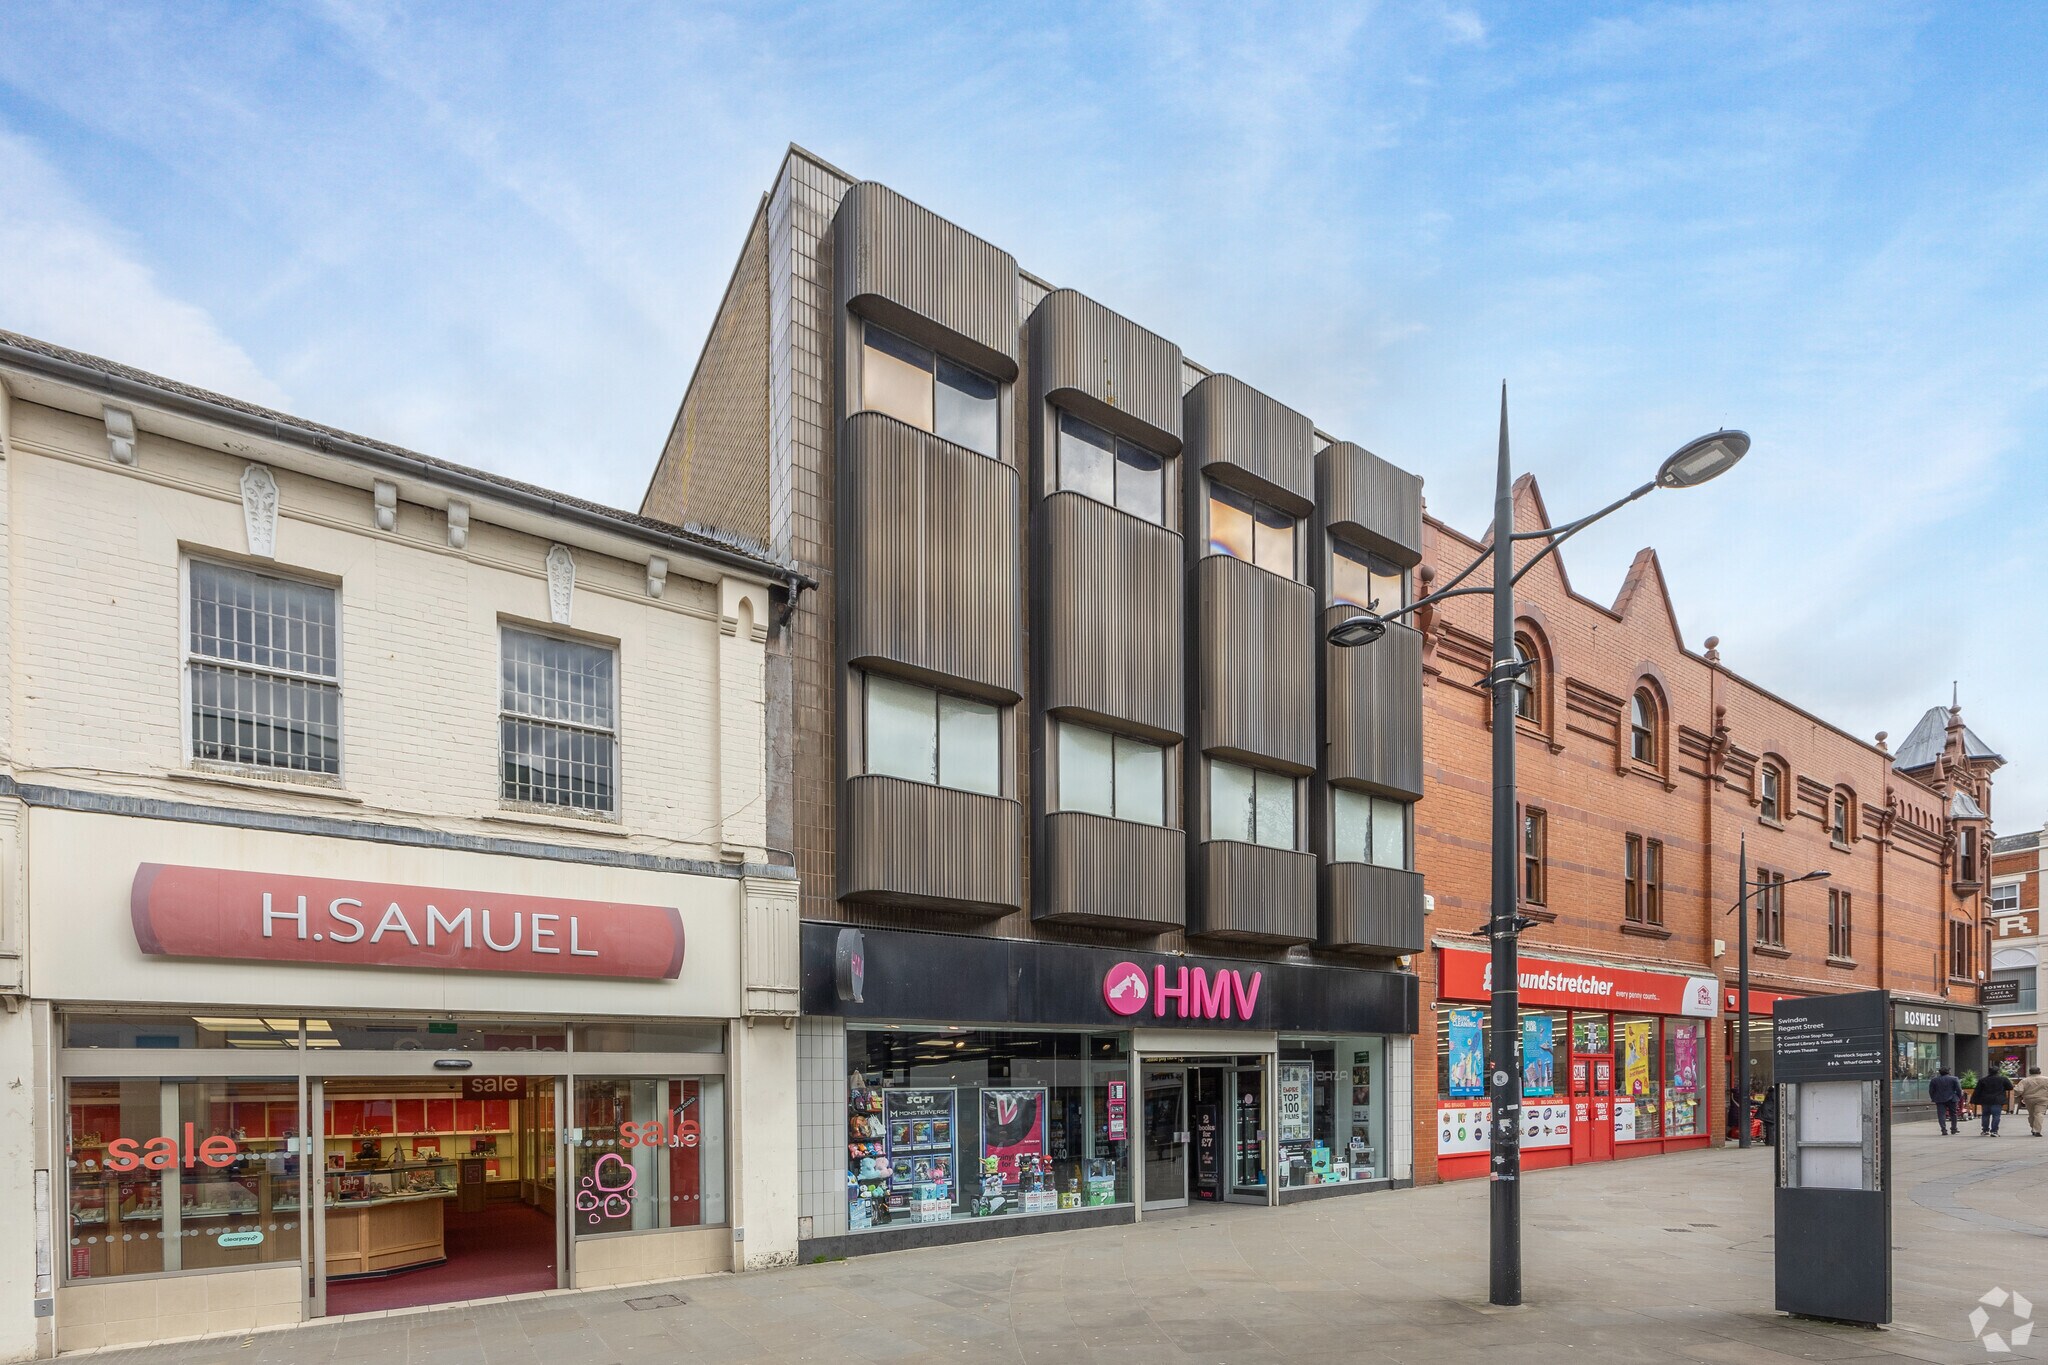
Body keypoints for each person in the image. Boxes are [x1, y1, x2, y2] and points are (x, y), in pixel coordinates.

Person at [1972, 1068, 2014, 1136]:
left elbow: (1977, 1091)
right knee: (1996, 1116)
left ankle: (1985, 1130)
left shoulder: (1983, 1080)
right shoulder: (2003, 1079)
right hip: (1997, 1100)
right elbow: (2010, 1087)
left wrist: (1974, 1100)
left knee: (1985, 1115)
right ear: (1998, 1072)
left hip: (1985, 1100)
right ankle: (1994, 1131)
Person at [1929, 1066, 1964, 1135]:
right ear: (1948, 1072)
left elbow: (1931, 1091)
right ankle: (1954, 1128)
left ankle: (1943, 1129)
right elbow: (1959, 1089)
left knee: (1941, 1114)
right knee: (1953, 1114)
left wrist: (1933, 1098)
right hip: (1952, 1099)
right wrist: (1958, 1097)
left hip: (1939, 1099)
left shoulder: (1934, 1080)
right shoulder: (1954, 1079)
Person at [2015, 1066, 2048, 1139]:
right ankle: (2037, 1130)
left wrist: (2016, 1094)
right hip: (2043, 1099)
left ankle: (2033, 1128)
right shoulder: (2046, 1079)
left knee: (2031, 1114)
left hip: (2029, 1099)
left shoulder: (2025, 1080)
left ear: (2029, 1072)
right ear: (2039, 1072)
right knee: (2039, 1113)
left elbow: (2019, 1090)